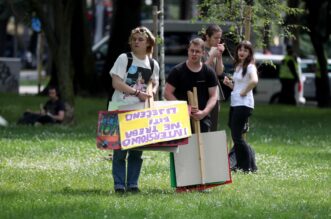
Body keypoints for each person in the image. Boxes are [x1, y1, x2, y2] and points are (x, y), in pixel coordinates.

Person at [109, 26, 159, 193]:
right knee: (120, 151)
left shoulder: (153, 63)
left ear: (148, 43)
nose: (136, 42)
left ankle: (132, 184)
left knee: (137, 151)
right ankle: (119, 185)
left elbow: (154, 82)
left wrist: (151, 91)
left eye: (140, 39)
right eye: (134, 39)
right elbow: (116, 83)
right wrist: (138, 92)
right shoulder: (124, 58)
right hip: (121, 108)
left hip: (140, 111)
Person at [164, 37, 218, 133]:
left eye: (197, 51)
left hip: (202, 118)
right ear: (188, 51)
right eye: (192, 50)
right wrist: (184, 108)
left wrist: (204, 112)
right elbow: (167, 93)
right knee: (184, 148)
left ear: (203, 53)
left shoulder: (209, 72)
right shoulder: (177, 71)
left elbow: (214, 96)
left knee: (203, 147)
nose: (194, 54)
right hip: (181, 117)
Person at [223, 40, 258, 173]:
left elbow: (254, 81)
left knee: (237, 136)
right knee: (235, 135)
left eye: (245, 50)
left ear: (249, 53)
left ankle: (248, 166)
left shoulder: (250, 66)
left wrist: (244, 91)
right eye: (240, 50)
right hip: (235, 103)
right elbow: (237, 88)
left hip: (244, 105)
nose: (242, 52)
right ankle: (242, 165)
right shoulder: (238, 66)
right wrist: (229, 85)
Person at [201, 24, 225, 131]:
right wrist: (211, 56)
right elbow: (200, 70)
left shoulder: (215, 49)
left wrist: (219, 57)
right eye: (215, 37)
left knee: (213, 126)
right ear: (207, 36)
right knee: (203, 125)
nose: (218, 40)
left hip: (215, 92)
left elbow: (219, 72)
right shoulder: (200, 48)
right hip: (203, 91)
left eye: (220, 38)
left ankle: (211, 148)